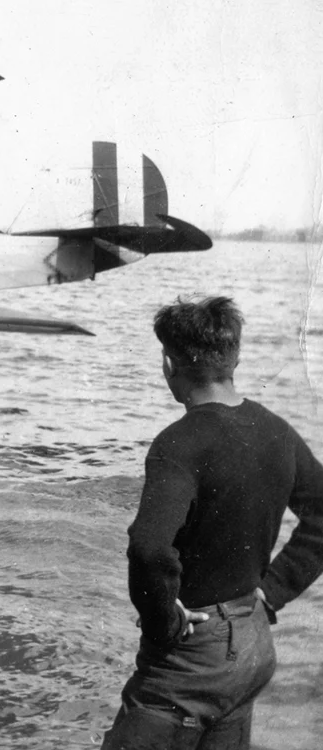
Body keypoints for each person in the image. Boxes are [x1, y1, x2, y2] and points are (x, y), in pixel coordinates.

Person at [102, 296, 323, 750]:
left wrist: (164, 620)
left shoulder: (178, 444)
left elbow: (148, 548)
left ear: (168, 363)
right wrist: (275, 589)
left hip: (190, 662)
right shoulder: (277, 429)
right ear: (235, 357)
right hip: (253, 645)